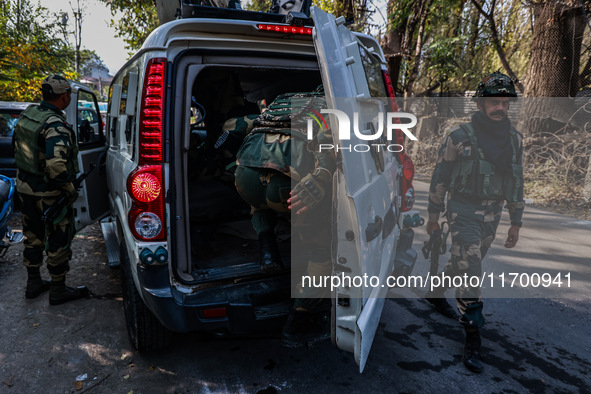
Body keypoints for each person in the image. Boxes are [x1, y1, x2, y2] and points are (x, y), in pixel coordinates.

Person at [425, 71, 525, 373]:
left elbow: (517, 181)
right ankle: (472, 334)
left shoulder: (514, 140)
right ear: (481, 104)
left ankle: (436, 289)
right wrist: (432, 216)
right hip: (461, 212)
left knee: (464, 263)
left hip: (492, 215)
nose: (501, 108)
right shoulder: (458, 137)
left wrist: (515, 222)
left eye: (506, 104)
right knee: (471, 269)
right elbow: (440, 177)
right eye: (495, 102)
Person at [234, 89, 336, 347]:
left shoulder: (277, 105)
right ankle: (299, 320)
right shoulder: (327, 108)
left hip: (245, 177)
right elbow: (330, 146)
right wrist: (321, 177)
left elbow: (237, 126)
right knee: (322, 251)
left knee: (259, 205)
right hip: (287, 186)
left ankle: (268, 250)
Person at [13, 74, 88, 305]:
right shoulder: (56, 124)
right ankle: (58, 290)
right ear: (64, 96)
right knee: (58, 240)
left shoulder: (29, 115)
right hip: (49, 194)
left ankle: (33, 283)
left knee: (33, 237)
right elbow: (56, 166)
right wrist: (68, 188)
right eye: (68, 95)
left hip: (25, 188)